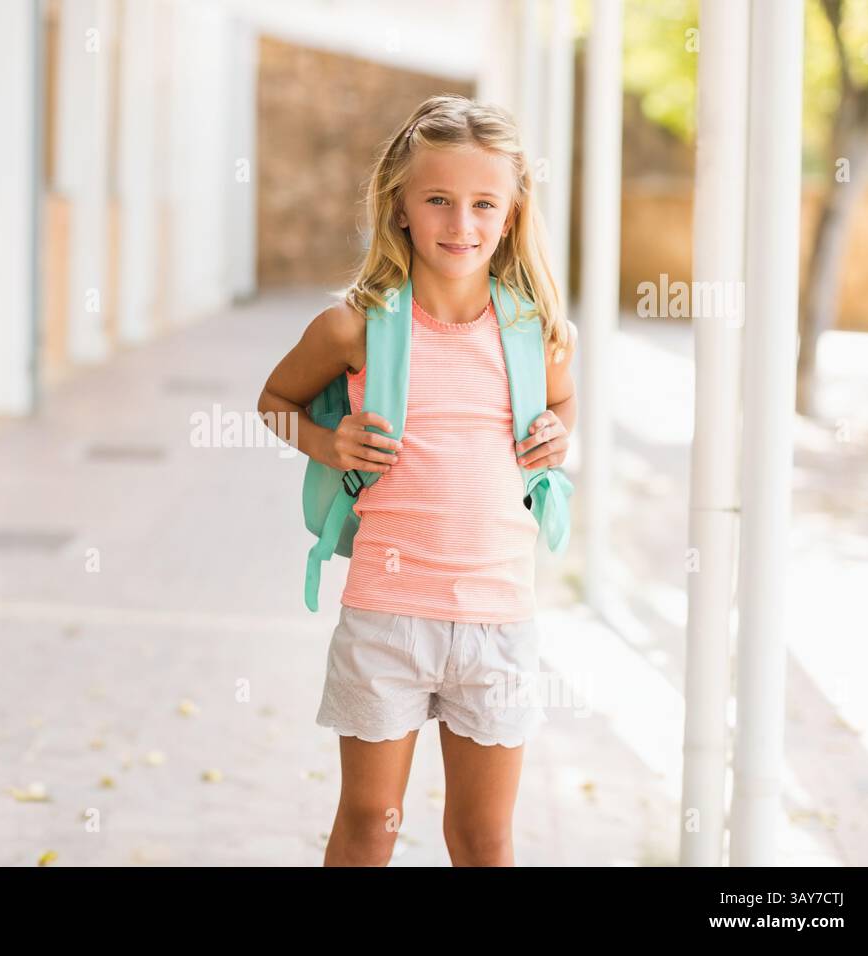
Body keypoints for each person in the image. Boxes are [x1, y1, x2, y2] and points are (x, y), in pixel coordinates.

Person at [256, 94, 578, 866]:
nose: (461, 223)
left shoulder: (536, 332)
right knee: (370, 823)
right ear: (398, 205)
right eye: (438, 200)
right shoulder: (354, 327)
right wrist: (328, 442)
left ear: (512, 213)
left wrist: (559, 433)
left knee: (481, 835)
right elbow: (274, 403)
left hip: (498, 618)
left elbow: (562, 406)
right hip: (386, 616)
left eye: (483, 203)